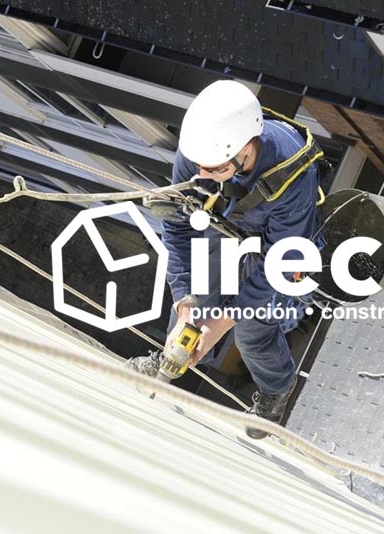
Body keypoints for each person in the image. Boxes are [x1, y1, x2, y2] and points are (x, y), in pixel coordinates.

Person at [127, 80, 324, 439]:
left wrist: (223, 323)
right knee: (196, 304)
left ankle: (276, 389)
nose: (202, 177)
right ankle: (170, 360)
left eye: (214, 170)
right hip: (228, 223)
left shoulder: (294, 174)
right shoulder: (201, 150)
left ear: (246, 150)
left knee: (251, 330)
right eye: (199, 167)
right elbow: (178, 229)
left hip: (281, 244)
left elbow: (277, 263)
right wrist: (185, 304)